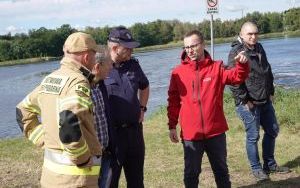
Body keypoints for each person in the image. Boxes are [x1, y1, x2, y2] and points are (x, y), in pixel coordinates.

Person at [16, 32, 103, 188]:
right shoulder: (78, 81)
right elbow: (68, 121)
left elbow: (22, 111)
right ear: (86, 57)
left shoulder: (51, 79)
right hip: (76, 180)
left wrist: (43, 139)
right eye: (94, 53)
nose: (95, 58)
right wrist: (82, 158)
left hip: (51, 178)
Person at [167, 30, 249, 188]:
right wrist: (172, 125)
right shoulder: (178, 72)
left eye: (193, 46)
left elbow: (237, 77)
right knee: (191, 173)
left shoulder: (216, 68)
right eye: (187, 47)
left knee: (221, 171)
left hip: (216, 132)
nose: (190, 50)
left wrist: (242, 64)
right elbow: (173, 101)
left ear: (203, 45)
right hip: (191, 134)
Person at [227, 21, 290, 182]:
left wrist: (271, 92)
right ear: (242, 34)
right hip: (249, 104)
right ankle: (256, 169)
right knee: (253, 136)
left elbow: (267, 70)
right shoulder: (236, 52)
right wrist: (245, 100)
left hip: (264, 99)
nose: (253, 36)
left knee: (273, 130)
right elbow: (233, 81)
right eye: (250, 34)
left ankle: (270, 164)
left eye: (255, 33)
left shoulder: (259, 47)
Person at [104, 26, 150, 188]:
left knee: (137, 181)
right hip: (113, 137)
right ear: (115, 48)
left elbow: (144, 86)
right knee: (110, 182)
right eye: (128, 48)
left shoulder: (133, 65)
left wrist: (142, 108)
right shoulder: (101, 68)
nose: (132, 51)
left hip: (135, 133)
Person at [91, 47, 114, 188]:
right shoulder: (82, 90)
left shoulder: (98, 87)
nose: (111, 67)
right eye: (109, 64)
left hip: (105, 152)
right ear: (98, 67)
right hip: (91, 158)